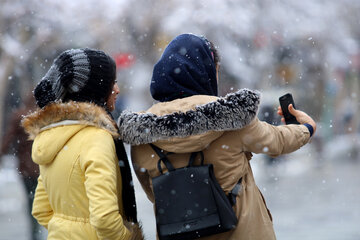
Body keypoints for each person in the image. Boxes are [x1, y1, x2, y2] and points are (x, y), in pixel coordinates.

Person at [118, 34, 316, 240]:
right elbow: (277, 142)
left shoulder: (142, 136)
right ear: (206, 72)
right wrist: (306, 127)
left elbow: (155, 194)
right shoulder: (234, 119)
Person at [21, 48, 143, 240]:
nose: (117, 89)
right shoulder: (96, 137)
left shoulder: (53, 135)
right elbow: (105, 219)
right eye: (113, 82)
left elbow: (41, 210)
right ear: (96, 90)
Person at [0, 94, 41, 240]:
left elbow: (8, 139)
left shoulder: (20, 117)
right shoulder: (42, 117)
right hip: (41, 167)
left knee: (32, 200)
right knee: (40, 199)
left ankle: (34, 231)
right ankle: (37, 230)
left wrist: (2, 152)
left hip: (25, 168)